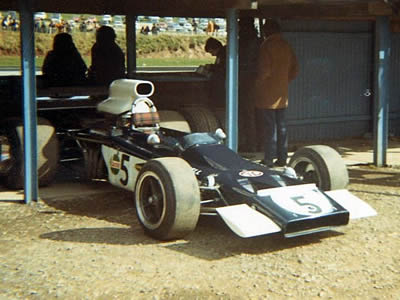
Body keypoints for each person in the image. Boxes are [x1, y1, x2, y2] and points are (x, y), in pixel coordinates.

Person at [254, 19, 299, 167]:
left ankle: (268, 159)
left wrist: (257, 85)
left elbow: (264, 71)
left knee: (269, 128)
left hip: (267, 95)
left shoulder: (266, 46)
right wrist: (283, 82)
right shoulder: (286, 45)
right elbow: (295, 69)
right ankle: (282, 159)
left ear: (267, 31)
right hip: (282, 94)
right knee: (282, 127)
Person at [204, 37, 226, 107]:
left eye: (211, 52)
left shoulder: (224, 54)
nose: (212, 54)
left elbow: (222, 68)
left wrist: (211, 67)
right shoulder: (221, 54)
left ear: (215, 48)